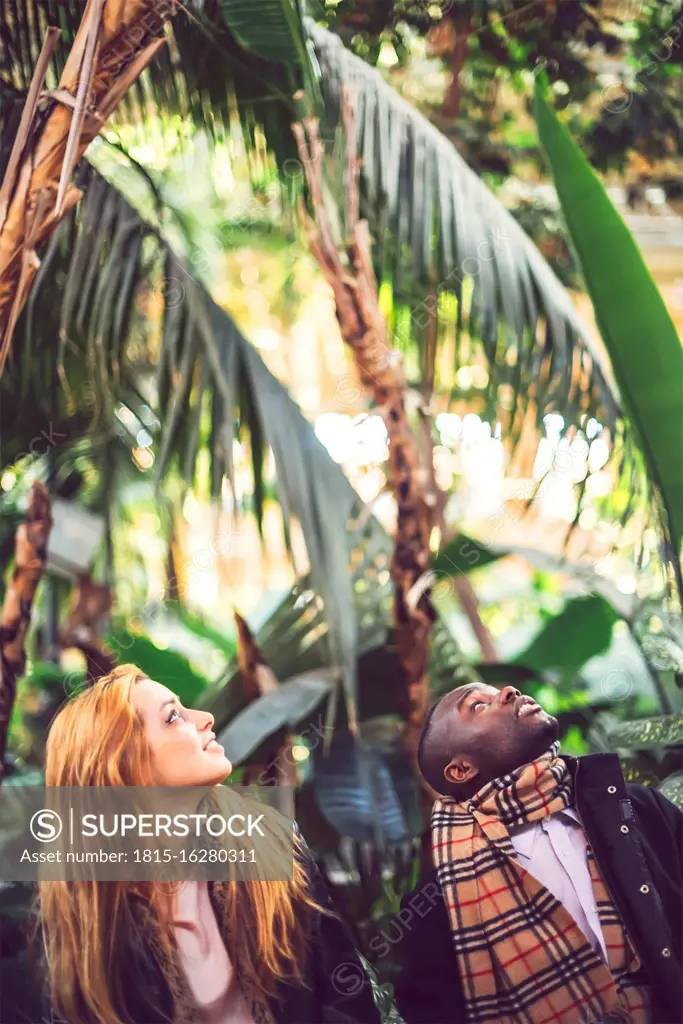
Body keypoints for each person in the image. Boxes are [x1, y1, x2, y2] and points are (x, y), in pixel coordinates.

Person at [35, 664, 381, 1024]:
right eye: (173, 718)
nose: (205, 718)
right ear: (122, 769)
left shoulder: (273, 845)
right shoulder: (94, 919)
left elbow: (347, 997)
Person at [393, 682, 683, 1024]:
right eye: (477, 706)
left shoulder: (636, 809)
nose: (508, 691)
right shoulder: (439, 905)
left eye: (498, 690)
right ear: (461, 770)